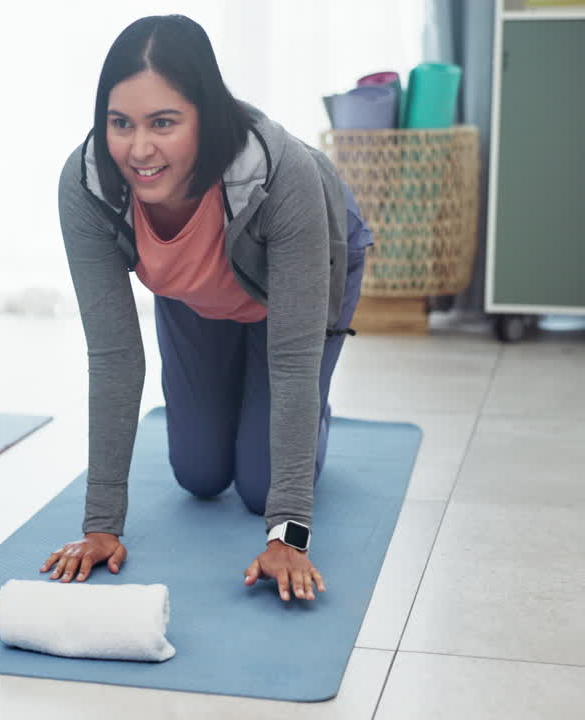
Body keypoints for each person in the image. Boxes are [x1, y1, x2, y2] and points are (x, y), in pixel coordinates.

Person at [43, 15, 373, 603]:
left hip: (298, 283)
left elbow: (292, 361)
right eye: (120, 123)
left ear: (207, 115)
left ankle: (308, 416)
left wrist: (289, 534)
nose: (139, 149)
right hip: (196, 293)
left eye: (163, 123)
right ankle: (251, 405)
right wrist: (100, 527)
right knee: (199, 475)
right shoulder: (88, 185)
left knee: (259, 489)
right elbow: (115, 358)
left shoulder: (282, 173)